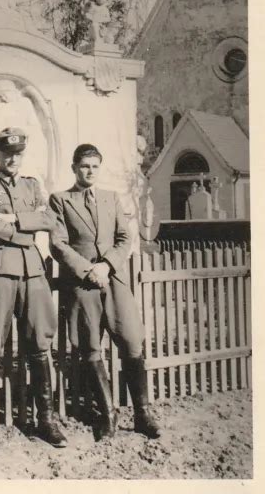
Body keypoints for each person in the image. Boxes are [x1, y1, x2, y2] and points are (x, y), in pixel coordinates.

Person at [49, 144, 161, 440]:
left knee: (132, 341)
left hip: (114, 279)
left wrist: (106, 266)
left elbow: (125, 237)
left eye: (95, 166)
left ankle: (142, 414)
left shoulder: (112, 199)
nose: (90, 171)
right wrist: (88, 270)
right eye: (84, 166)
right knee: (88, 348)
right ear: (74, 168)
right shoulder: (60, 200)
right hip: (82, 284)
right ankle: (107, 415)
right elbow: (57, 244)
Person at [0, 127, 67, 456]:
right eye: (7, 153)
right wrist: (27, 223)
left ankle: (47, 420)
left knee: (41, 343)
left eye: (18, 154)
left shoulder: (32, 185)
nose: (13, 159)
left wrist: (15, 218)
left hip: (32, 271)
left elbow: (50, 219)